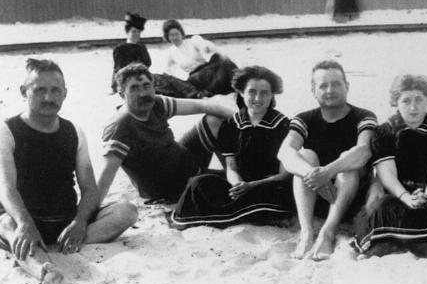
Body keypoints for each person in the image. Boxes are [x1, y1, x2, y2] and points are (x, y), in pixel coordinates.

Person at [1, 59, 137, 284]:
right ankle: (48, 275)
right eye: (40, 90)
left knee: (127, 211)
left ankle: (53, 246)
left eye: (55, 90)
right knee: (6, 223)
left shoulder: (74, 131)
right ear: (24, 92)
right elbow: (6, 187)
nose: (48, 98)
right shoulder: (7, 130)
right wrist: (25, 223)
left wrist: (80, 222)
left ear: (65, 94)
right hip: (24, 220)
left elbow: (89, 188)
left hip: (65, 223)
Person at [353, 74, 427, 275]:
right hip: (397, 193)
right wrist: (405, 197)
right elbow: (387, 175)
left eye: (419, 100)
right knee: (378, 206)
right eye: (406, 101)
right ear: (396, 102)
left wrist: (425, 196)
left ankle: (394, 243)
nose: (413, 107)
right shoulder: (384, 132)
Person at [170, 66, 294, 228]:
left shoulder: (282, 124)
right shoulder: (231, 123)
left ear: (272, 95)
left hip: (269, 184)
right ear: (242, 93)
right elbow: (231, 167)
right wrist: (237, 184)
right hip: (240, 184)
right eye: (252, 92)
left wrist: (251, 186)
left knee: (276, 195)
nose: (258, 98)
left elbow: (284, 174)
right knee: (198, 183)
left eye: (264, 93)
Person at [277, 60, 377, 260]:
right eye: (323, 85)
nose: (330, 90)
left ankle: (328, 232)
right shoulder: (305, 118)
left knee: (347, 161)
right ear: (314, 90)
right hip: (315, 198)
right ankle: (306, 231)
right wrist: (311, 175)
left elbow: (363, 151)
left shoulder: (364, 116)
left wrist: (327, 172)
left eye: (336, 84)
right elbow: (285, 152)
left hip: (350, 199)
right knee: (305, 156)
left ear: (347, 86)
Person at [97, 63, 235, 204]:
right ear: (122, 94)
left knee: (215, 121)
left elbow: (203, 105)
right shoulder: (120, 126)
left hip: (186, 162)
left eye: (146, 86)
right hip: (167, 187)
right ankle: (229, 180)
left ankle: (232, 172)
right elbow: (105, 178)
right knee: (237, 187)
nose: (143, 94)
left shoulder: (156, 104)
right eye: (134, 88)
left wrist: (241, 120)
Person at [162, 19, 238, 96]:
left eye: (177, 34)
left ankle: (239, 83)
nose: (175, 37)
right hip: (194, 77)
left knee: (225, 64)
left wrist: (213, 51)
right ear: (167, 37)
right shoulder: (170, 52)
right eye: (171, 35)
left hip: (207, 68)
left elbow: (206, 45)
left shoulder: (192, 41)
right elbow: (168, 71)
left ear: (181, 34)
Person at [110, 12, 151, 93]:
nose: (137, 34)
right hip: (127, 84)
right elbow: (117, 69)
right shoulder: (120, 49)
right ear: (127, 32)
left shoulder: (142, 47)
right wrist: (114, 87)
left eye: (138, 32)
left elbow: (147, 64)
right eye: (134, 31)